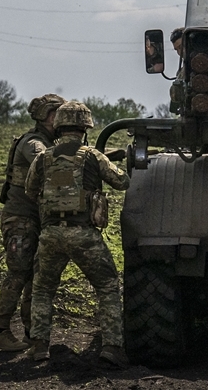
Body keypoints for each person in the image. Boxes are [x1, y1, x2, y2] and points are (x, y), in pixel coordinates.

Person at [24, 100, 131, 366]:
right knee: (107, 288)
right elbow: (122, 182)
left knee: (43, 291)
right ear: (85, 127)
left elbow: (29, 189)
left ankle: (39, 347)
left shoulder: (43, 157)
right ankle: (111, 348)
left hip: (50, 235)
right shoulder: (93, 155)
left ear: (59, 126)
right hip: (83, 234)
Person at [0, 93, 65, 351]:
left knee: (36, 277)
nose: (61, 118)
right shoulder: (33, 142)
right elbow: (45, 161)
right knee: (19, 272)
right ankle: (1, 332)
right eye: (56, 113)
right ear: (44, 117)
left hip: (39, 219)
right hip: (20, 219)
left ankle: (31, 333)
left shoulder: (52, 141)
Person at [168, 27, 186, 114]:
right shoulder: (182, 71)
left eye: (181, 47)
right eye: (177, 49)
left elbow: (175, 93)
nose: (180, 52)